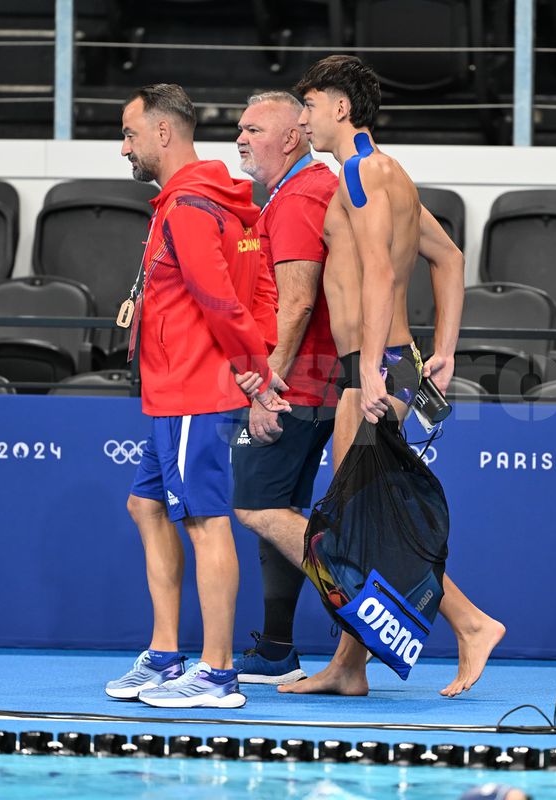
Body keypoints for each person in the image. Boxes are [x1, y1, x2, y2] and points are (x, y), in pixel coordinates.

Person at [240, 56, 506, 698]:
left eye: (310, 106)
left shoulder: (360, 172)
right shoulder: (393, 176)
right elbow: (448, 259)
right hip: (395, 363)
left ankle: (471, 624)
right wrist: (441, 352)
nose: (303, 118)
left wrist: (368, 368)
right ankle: (349, 666)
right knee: (360, 518)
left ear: (340, 108)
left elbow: (384, 276)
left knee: (355, 524)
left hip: (375, 372)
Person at [103, 83, 288, 709]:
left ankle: (217, 672)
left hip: (193, 388)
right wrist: (257, 360)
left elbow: (219, 299)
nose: (124, 146)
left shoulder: (189, 205)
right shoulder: (219, 201)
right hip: (173, 387)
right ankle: (164, 655)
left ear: (163, 134)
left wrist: (253, 373)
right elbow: (262, 288)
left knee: (207, 524)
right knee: (145, 507)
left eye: (130, 134)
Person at [230, 91, 339, 685]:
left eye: (253, 129)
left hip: (301, 383)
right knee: (282, 511)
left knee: (255, 507)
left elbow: (296, 304)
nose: (241, 139)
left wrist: (267, 388)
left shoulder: (299, 196)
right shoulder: (312, 186)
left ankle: (357, 593)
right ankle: (276, 647)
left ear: (292, 136)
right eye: (239, 130)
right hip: (323, 380)